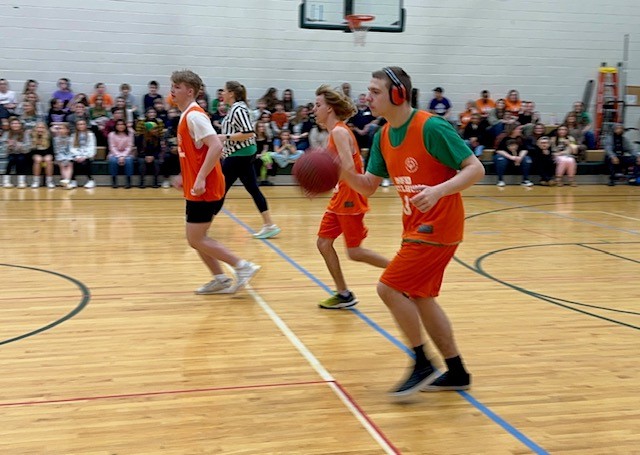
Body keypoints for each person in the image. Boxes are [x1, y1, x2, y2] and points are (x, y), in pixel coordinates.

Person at [340, 67, 485, 397]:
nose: (368, 97)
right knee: (421, 297)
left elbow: (476, 168)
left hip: (439, 225)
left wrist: (438, 191)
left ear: (398, 94)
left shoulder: (431, 127)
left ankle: (422, 363)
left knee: (389, 288)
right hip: (415, 227)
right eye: (368, 91)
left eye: (375, 91)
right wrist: (341, 170)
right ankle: (457, 371)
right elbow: (369, 187)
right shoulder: (382, 136)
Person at [169, 69, 260, 294]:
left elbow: (216, 146)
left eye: (177, 87)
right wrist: (187, 175)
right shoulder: (187, 114)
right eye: (172, 85)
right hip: (197, 185)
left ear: (189, 91)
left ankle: (242, 266)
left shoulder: (194, 115)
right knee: (198, 238)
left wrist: (199, 178)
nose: (172, 90)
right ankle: (220, 278)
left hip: (205, 186)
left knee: (196, 237)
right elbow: (196, 153)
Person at [313, 84, 389, 309]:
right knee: (323, 243)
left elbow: (348, 166)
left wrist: (322, 166)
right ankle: (344, 294)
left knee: (355, 252)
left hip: (350, 195)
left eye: (318, 105)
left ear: (329, 109)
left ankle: (403, 272)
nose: (314, 109)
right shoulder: (334, 132)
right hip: (340, 195)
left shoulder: (338, 131)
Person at [218, 80, 281, 239]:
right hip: (240, 154)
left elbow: (248, 132)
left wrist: (224, 137)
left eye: (224, 91)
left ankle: (201, 223)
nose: (222, 94)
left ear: (231, 93)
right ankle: (269, 225)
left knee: (220, 189)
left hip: (239, 155)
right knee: (252, 188)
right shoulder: (235, 108)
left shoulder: (238, 109)